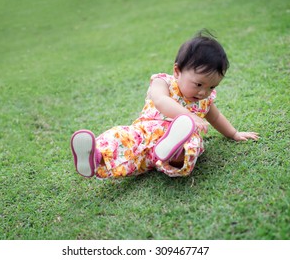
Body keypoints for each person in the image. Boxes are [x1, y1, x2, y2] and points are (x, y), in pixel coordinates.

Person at [70, 30, 259, 179]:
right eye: (199, 84)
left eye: (212, 87)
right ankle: (95, 157)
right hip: (144, 133)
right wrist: (188, 116)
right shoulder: (164, 82)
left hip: (171, 143)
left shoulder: (205, 100)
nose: (203, 92)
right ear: (177, 71)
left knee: (192, 143)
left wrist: (233, 133)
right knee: (122, 137)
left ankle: (174, 153)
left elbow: (216, 117)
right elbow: (161, 101)